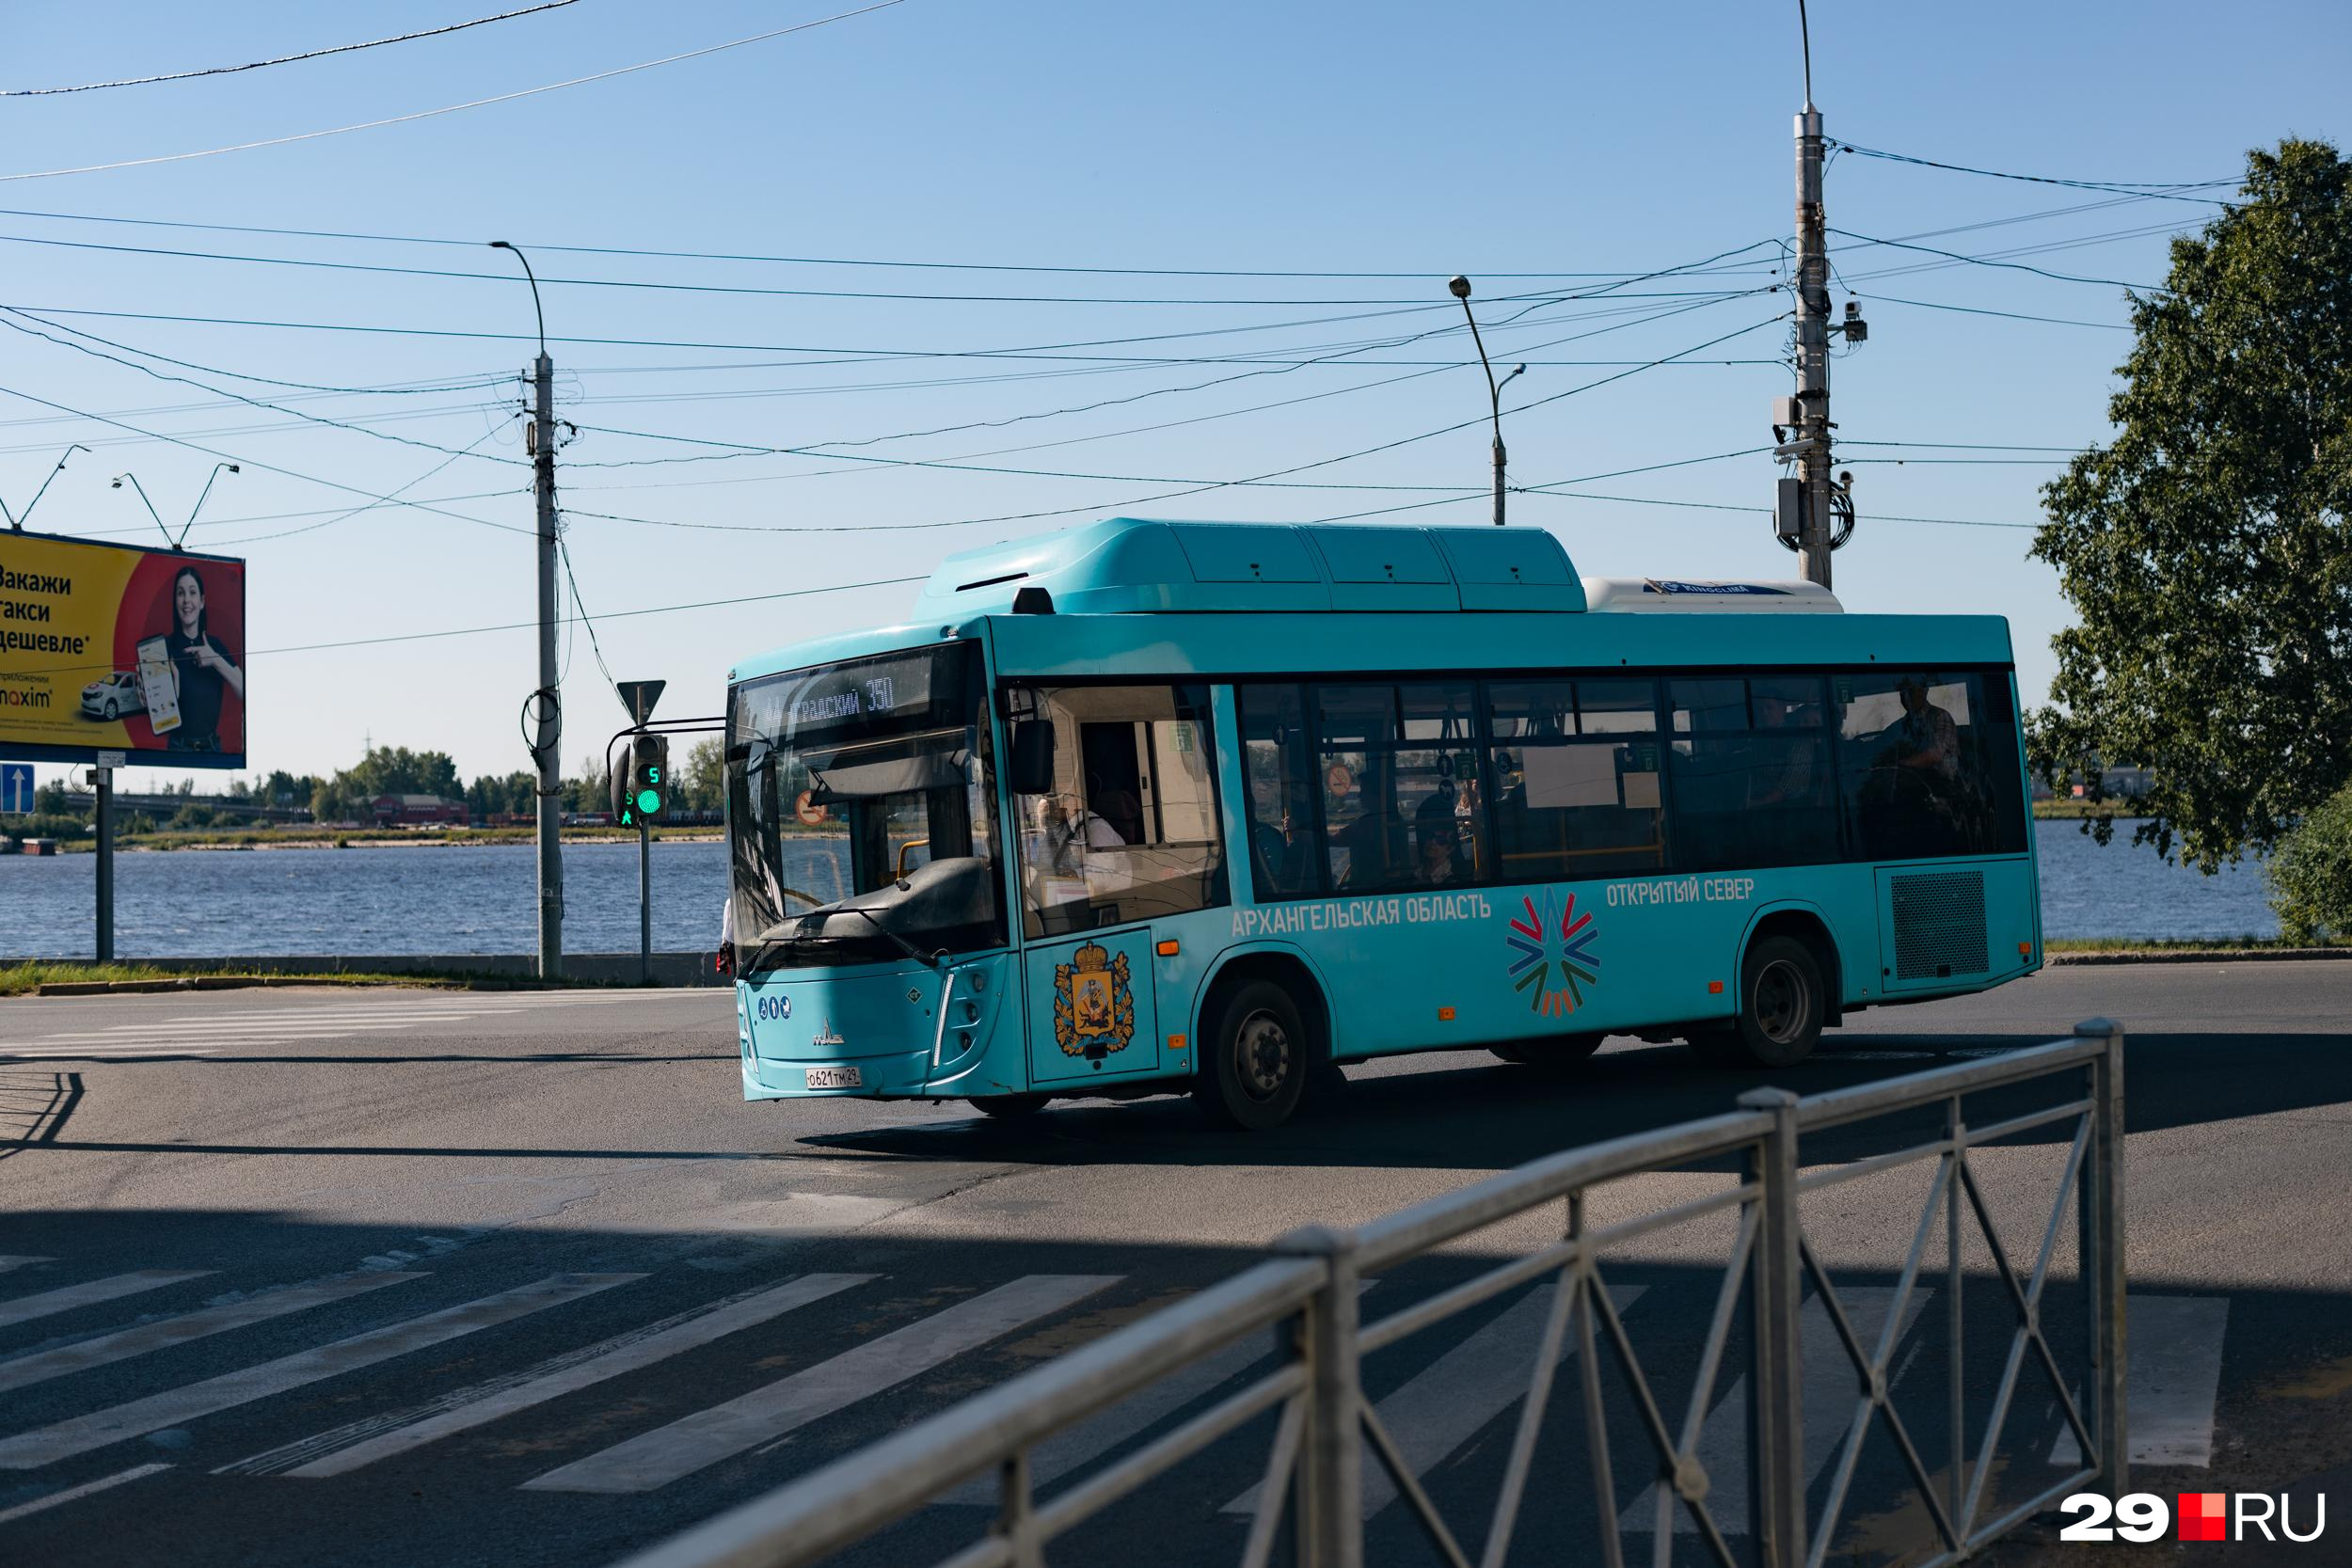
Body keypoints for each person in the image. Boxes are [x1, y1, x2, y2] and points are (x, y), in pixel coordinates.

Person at [162, 565, 243, 752]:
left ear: (202, 601)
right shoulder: (164, 647)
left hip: (213, 748)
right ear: (175, 601)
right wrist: (173, 688)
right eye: (181, 594)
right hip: (177, 748)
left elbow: (244, 691)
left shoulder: (215, 645)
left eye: (192, 592)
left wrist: (215, 660)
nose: (187, 600)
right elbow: (160, 716)